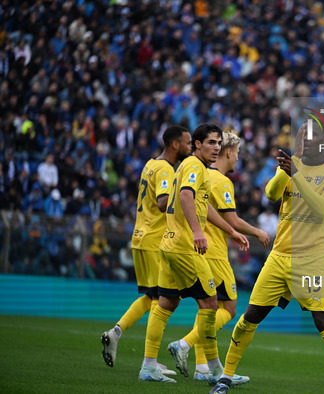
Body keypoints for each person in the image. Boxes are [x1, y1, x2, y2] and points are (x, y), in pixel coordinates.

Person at [209, 123, 324, 394]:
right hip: (279, 256)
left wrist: (297, 172)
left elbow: (323, 208)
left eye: (312, 137)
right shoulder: (292, 164)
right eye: (303, 136)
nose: (307, 141)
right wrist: (294, 163)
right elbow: (271, 193)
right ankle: (225, 377)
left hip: (314, 258)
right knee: (250, 316)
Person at [138, 123, 249, 383]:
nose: (216, 147)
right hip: (184, 247)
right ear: (197, 144)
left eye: (219, 143)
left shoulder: (191, 167)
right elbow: (186, 196)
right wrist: (198, 232)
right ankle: (213, 371)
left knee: (166, 303)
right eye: (211, 142)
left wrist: (230, 231)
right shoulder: (193, 166)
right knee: (211, 304)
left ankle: (148, 366)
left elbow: (203, 205)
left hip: (168, 244)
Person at [166, 131, 270, 385]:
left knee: (206, 306)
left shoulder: (203, 172)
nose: (237, 159)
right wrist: (255, 231)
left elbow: (202, 206)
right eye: (237, 153)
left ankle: (203, 366)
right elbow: (230, 217)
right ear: (228, 152)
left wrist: (232, 232)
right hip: (211, 251)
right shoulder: (221, 180)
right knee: (228, 307)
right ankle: (185, 344)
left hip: (195, 246)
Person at [101, 125, 192, 374]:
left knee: (151, 296)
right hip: (154, 240)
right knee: (163, 300)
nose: (190, 146)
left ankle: (116, 332)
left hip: (140, 237)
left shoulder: (151, 163)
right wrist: (186, 198)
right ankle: (149, 362)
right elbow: (163, 203)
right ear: (175, 144)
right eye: (187, 142)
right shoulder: (164, 169)